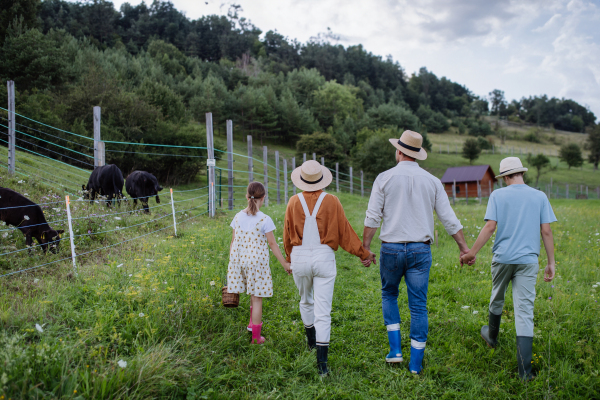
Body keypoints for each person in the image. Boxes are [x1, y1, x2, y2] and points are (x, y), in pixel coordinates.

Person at [362, 130, 472, 374]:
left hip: (391, 248)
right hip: (420, 250)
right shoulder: (432, 181)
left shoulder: (384, 178)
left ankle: (395, 351)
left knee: (389, 294)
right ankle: (415, 364)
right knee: (419, 305)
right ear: (417, 155)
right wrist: (464, 248)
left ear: (399, 152)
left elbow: (372, 217)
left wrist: (366, 248)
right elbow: (449, 218)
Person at [460, 157, 556, 381]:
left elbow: (490, 226)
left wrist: (472, 252)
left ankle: (492, 337)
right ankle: (525, 373)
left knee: (497, 297)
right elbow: (547, 232)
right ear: (521, 173)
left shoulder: (498, 195)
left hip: (503, 258)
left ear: (504, 177)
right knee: (524, 310)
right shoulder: (540, 196)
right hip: (528, 260)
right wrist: (551, 262)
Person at [284, 160, 375, 376]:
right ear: (322, 180)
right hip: (325, 257)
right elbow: (345, 232)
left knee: (305, 299)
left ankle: (311, 343)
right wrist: (364, 254)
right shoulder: (332, 201)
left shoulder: (293, 202)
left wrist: (289, 259)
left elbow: (288, 234)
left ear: (302, 180)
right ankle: (322, 367)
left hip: (300, 257)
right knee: (323, 312)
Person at [227, 181, 291, 344]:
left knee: (251, 292)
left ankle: (251, 324)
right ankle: (256, 337)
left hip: (239, 260)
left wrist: (232, 263)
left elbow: (234, 241)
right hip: (256, 262)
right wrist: (285, 264)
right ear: (263, 198)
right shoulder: (265, 219)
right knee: (256, 298)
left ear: (247, 196)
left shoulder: (237, 216)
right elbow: (272, 244)